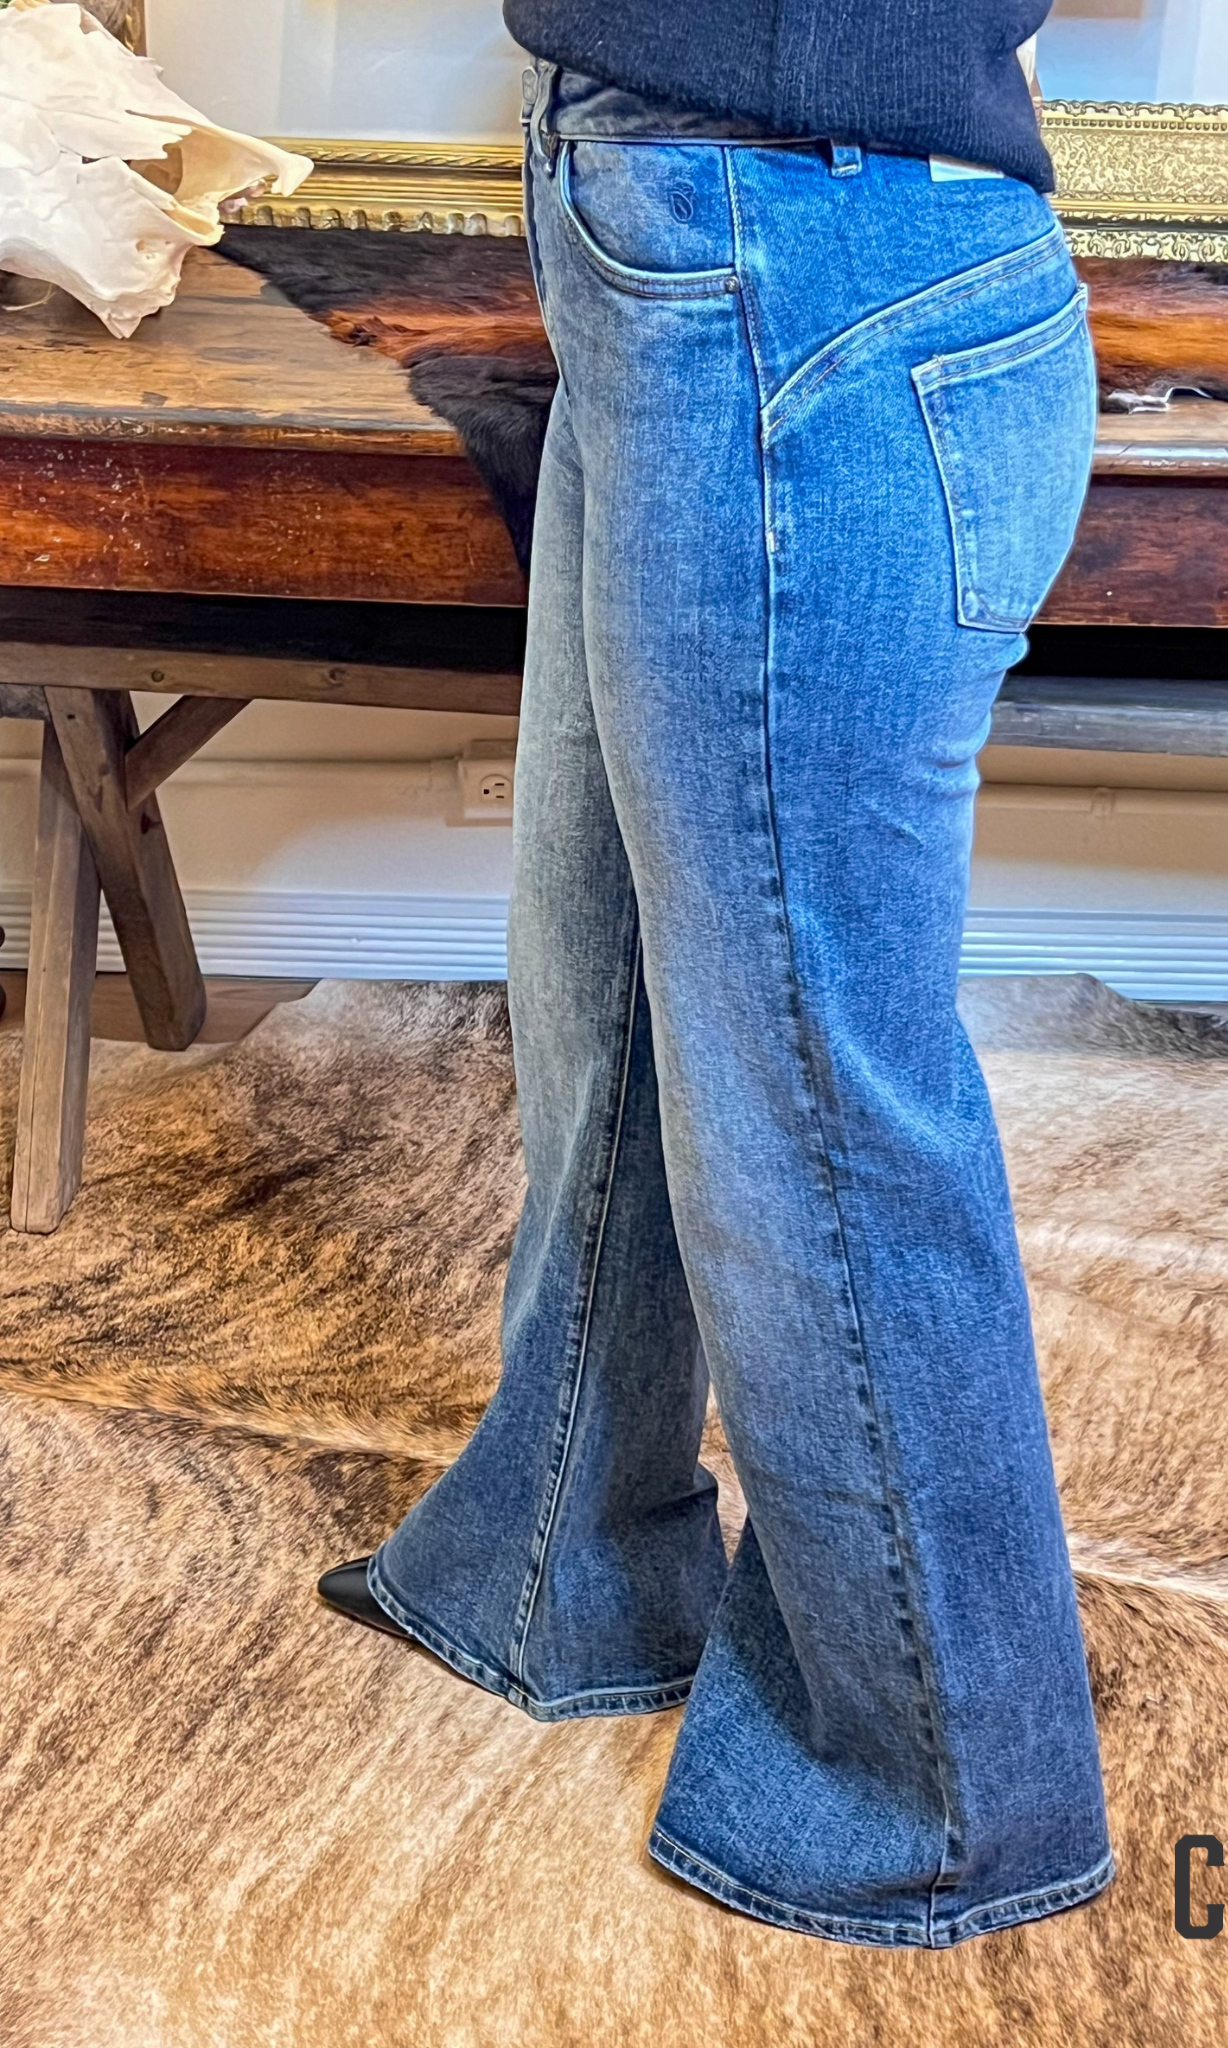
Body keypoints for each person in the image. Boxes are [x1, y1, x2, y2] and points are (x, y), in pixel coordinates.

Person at [320, 0, 1113, 1948]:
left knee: (806, 1088)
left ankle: (940, 1779)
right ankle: (560, 1557)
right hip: (682, 204)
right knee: (606, 969)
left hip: (795, 245)